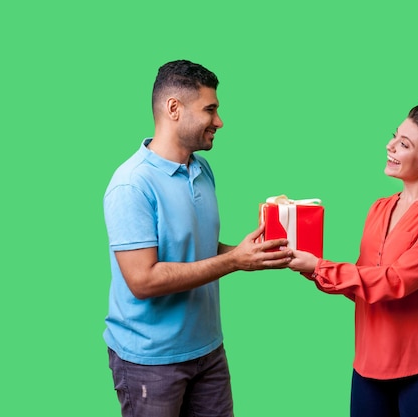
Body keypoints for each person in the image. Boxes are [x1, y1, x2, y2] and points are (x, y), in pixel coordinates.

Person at [103, 59, 292, 417]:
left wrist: (248, 254)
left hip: (207, 351)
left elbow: (196, 250)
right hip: (151, 361)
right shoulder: (132, 185)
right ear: (174, 109)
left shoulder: (202, 169)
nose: (219, 121)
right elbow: (143, 279)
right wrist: (233, 261)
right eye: (210, 109)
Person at [289, 103, 418, 417]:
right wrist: (307, 266)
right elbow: (364, 284)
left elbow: (396, 281)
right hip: (367, 367)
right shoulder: (379, 207)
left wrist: (319, 267)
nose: (389, 146)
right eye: (394, 137)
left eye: (404, 144)